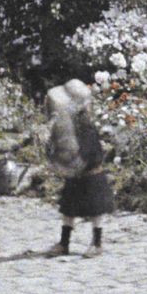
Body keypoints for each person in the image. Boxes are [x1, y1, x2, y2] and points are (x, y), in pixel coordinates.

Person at [45, 78, 115, 257]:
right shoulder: (68, 124)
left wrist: (78, 162)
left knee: (95, 211)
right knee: (68, 209)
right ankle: (64, 243)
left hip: (91, 174)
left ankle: (97, 243)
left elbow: (91, 151)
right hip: (75, 174)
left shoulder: (85, 126)